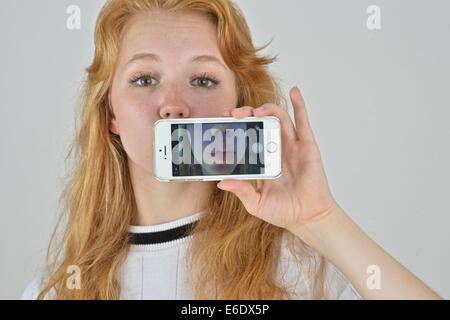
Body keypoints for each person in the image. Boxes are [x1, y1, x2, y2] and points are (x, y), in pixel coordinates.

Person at [22, 0, 441, 299]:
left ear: (238, 104)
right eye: (145, 79)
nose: (172, 105)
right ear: (109, 112)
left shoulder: (303, 270)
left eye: (202, 80)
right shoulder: (59, 291)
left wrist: (323, 220)